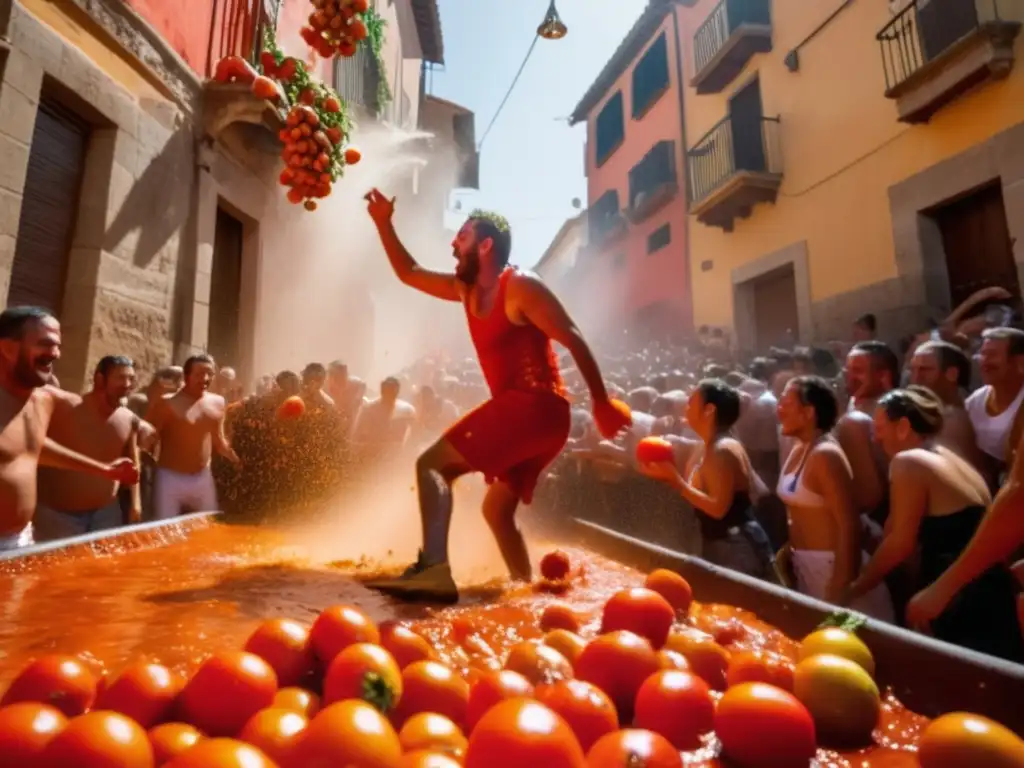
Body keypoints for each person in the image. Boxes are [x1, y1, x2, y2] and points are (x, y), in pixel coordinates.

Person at [362, 189, 630, 601]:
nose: (453, 242)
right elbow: (409, 271)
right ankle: (527, 593)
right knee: (496, 511)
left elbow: (571, 336)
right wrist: (384, 223)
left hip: (537, 408)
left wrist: (600, 402)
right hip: (539, 419)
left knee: (432, 466)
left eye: (463, 236)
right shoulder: (465, 291)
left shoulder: (520, 285)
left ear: (486, 246)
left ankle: (432, 571)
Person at [850, 387, 1022, 660]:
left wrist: (857, 586)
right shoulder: (948, 453)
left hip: (958, 599)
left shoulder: (908, 462)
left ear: (904, 426)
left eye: (880, 428)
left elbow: (900, 544)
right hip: (991, 590)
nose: (875, 438)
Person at [0, 307, 140, 550]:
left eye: (57, 346)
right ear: (9, 348)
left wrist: (104, 470)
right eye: (45, 344)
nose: (55, 354)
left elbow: (31, 446)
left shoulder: (44, 399)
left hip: (20, 539)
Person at [775, 377, 894, 619]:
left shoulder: (826, 454)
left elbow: (848, 524)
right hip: (807, 568)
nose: (779, 409)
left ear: (808, 412)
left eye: (786, 402)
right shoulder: (800, 448)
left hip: (833, 569)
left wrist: (840, 586)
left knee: (854, 647)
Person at [637, 379, 775, 581]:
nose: (686, 406)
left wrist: (676, 481)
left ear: (709, 410)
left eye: (691, 402)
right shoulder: (709, 445)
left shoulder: (723, 449)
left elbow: (718, 509)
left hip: (737, 548)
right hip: (721, 543)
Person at [36, 356, 156, 540]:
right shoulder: (67, 407)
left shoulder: (128, 419)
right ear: (100, 379)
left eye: (131, 379)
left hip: (106, 514)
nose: (127, 384)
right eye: (121, 378)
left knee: (103, 567)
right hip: (59, 516)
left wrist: (135, 503)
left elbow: (133, 462)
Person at [145, 354, 239, 520]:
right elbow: (148, 438)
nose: (205, 378)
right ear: (187, 376)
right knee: (164, 531)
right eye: (199, 374)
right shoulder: (167, 403)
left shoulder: (218, 402)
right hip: (169, 478)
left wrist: (237, 459)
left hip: (202, 477)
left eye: (209, 373)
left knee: (208, 527)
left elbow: (218, 440)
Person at [908, 340, 984, 471]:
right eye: (913, 369)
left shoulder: (954, 420)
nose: (916, 378)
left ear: (952, 374)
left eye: (925, 369)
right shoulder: (931, 415)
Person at [963, 327, 1024, 483]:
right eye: (983, 354)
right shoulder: (975, 401)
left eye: (992, 355)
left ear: (1020, 361)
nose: (984, 361)